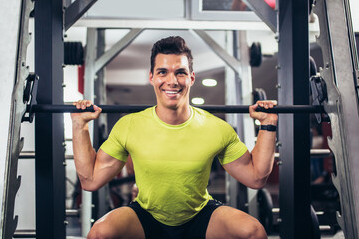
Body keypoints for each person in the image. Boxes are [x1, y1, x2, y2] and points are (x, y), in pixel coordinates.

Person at [71, 36, 278, 239]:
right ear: (151, 77)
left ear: (191, 78)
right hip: (146, 216)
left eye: (180, 73)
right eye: (163, 72)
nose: (172, 81)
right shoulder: (129, 126)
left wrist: (267, 125)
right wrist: (79, 126)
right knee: (99, 233)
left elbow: (256, 177)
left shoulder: (216, 128)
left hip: (200, 216)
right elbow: (90, 180)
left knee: (253, 232)